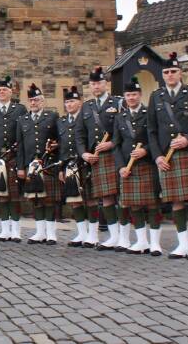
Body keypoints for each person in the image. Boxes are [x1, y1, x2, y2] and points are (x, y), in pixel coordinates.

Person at [148, 52, 188, 260]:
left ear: (180, 73)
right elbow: (151, 130)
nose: (170, 75)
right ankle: (182, 244)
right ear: (162, 75)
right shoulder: (156, 96)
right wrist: (157, 156)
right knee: (175, 201)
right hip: (167, 157)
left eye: (173, 71)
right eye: (166, 72)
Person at [76, 66, 127, 251]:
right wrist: (84, 153)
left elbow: (127, 129)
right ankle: (113, 237)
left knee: (122, 197)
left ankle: (124, 237)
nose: (96, 86)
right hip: (96, 158)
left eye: (99, 83)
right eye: (92, 84)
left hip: (116, 155)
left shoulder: (118, 103)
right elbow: (79, 134)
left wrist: (112, 143)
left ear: (106, 84)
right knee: (106, 198)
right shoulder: (87, 106)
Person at [113, 76, 162, 256]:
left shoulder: (150, 114)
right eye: (128, 95)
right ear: (124, 97)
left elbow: (157, 138)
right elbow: (116, 145)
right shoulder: (120, 117)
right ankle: (142, 242)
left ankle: (155, 243)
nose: (131, 98)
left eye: (134, 94)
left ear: (140, 95)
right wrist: (120, 167)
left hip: (146, 164)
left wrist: (145, 151)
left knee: (152, 205)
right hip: (128, 167)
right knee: (134, 206)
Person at [0, 75, 27, 242]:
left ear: (10, 92)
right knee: (1, 195)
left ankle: (15, 230)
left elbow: (24, 136)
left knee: (14, 196)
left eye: (4, 90)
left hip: (14, 157)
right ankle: (4, 230)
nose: (1, 92)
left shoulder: (20, 109)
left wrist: (22, 164)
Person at [17, 83, 60, 245]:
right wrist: (20, 167)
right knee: (36, 199)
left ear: (42, 101)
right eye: (31, 100)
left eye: (36, 100)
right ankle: (40, 232)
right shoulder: (22, 120)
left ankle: (51, 233)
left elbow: (60, 139)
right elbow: (20, 146)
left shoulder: (52, 116)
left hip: (48, 164)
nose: (33, 103)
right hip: (30, 165)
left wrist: (56, 147)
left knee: (49, 200)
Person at [57, 87, 86, 247]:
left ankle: (92, 235)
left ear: (79, 103)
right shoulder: (61, 122)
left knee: (89, 200)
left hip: (84, 163)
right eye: (67, 102)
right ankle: (81, 234)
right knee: (75, 200)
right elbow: (61, 147)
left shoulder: (86, 118)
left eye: (72, 101)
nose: (69, 104)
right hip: (69, 165)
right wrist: (61, 168)